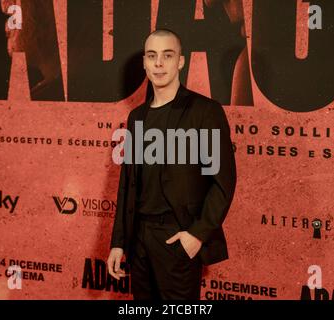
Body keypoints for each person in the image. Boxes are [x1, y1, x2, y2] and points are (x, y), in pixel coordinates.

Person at [107, 29, 237, 300]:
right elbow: (127, 185)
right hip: (140, 239)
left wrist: (196, 235)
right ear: (144, 62)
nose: (158, 64)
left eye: (167, 56)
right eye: (152, 56)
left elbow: (223, 182)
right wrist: (119, 242)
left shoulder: (205, 111)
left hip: (177, 237)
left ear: (180, 61)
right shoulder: (137, 118)